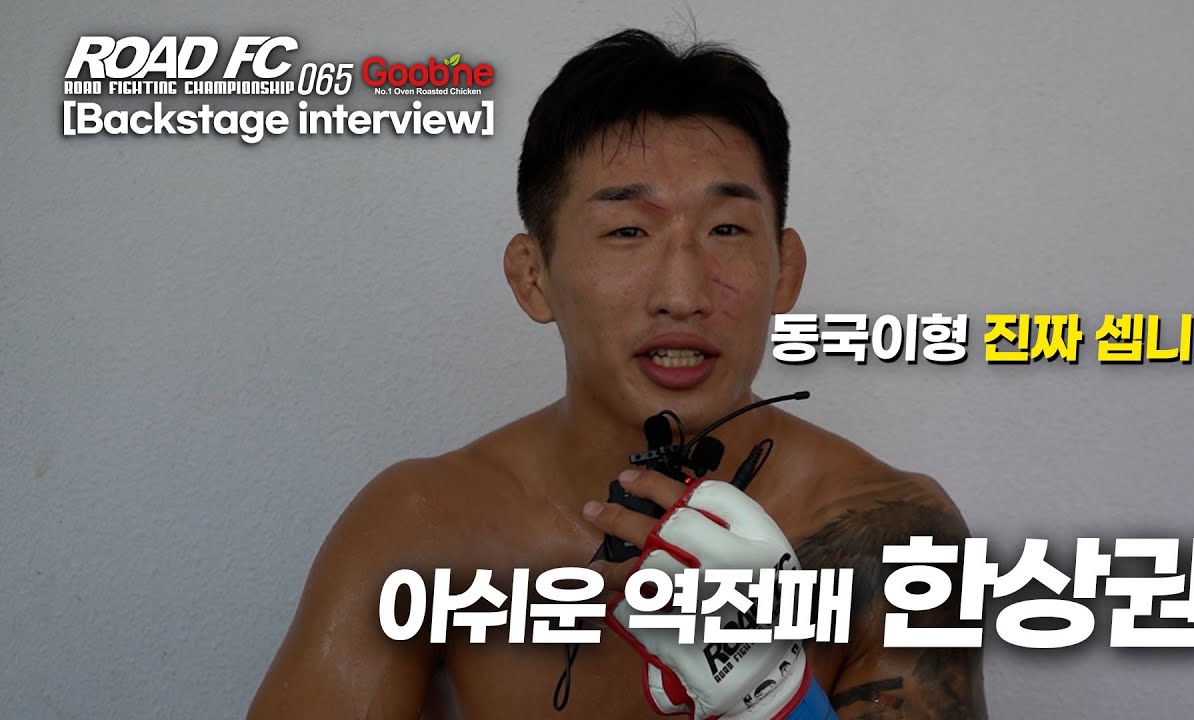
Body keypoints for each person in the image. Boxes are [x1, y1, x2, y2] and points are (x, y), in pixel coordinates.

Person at [248, 29, 986, 720]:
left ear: (785, 271)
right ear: (533, 276)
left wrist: (781, 701)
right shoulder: (422, 527)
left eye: (727, 230)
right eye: (628, 231)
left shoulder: (891, 535)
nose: (683, 294)